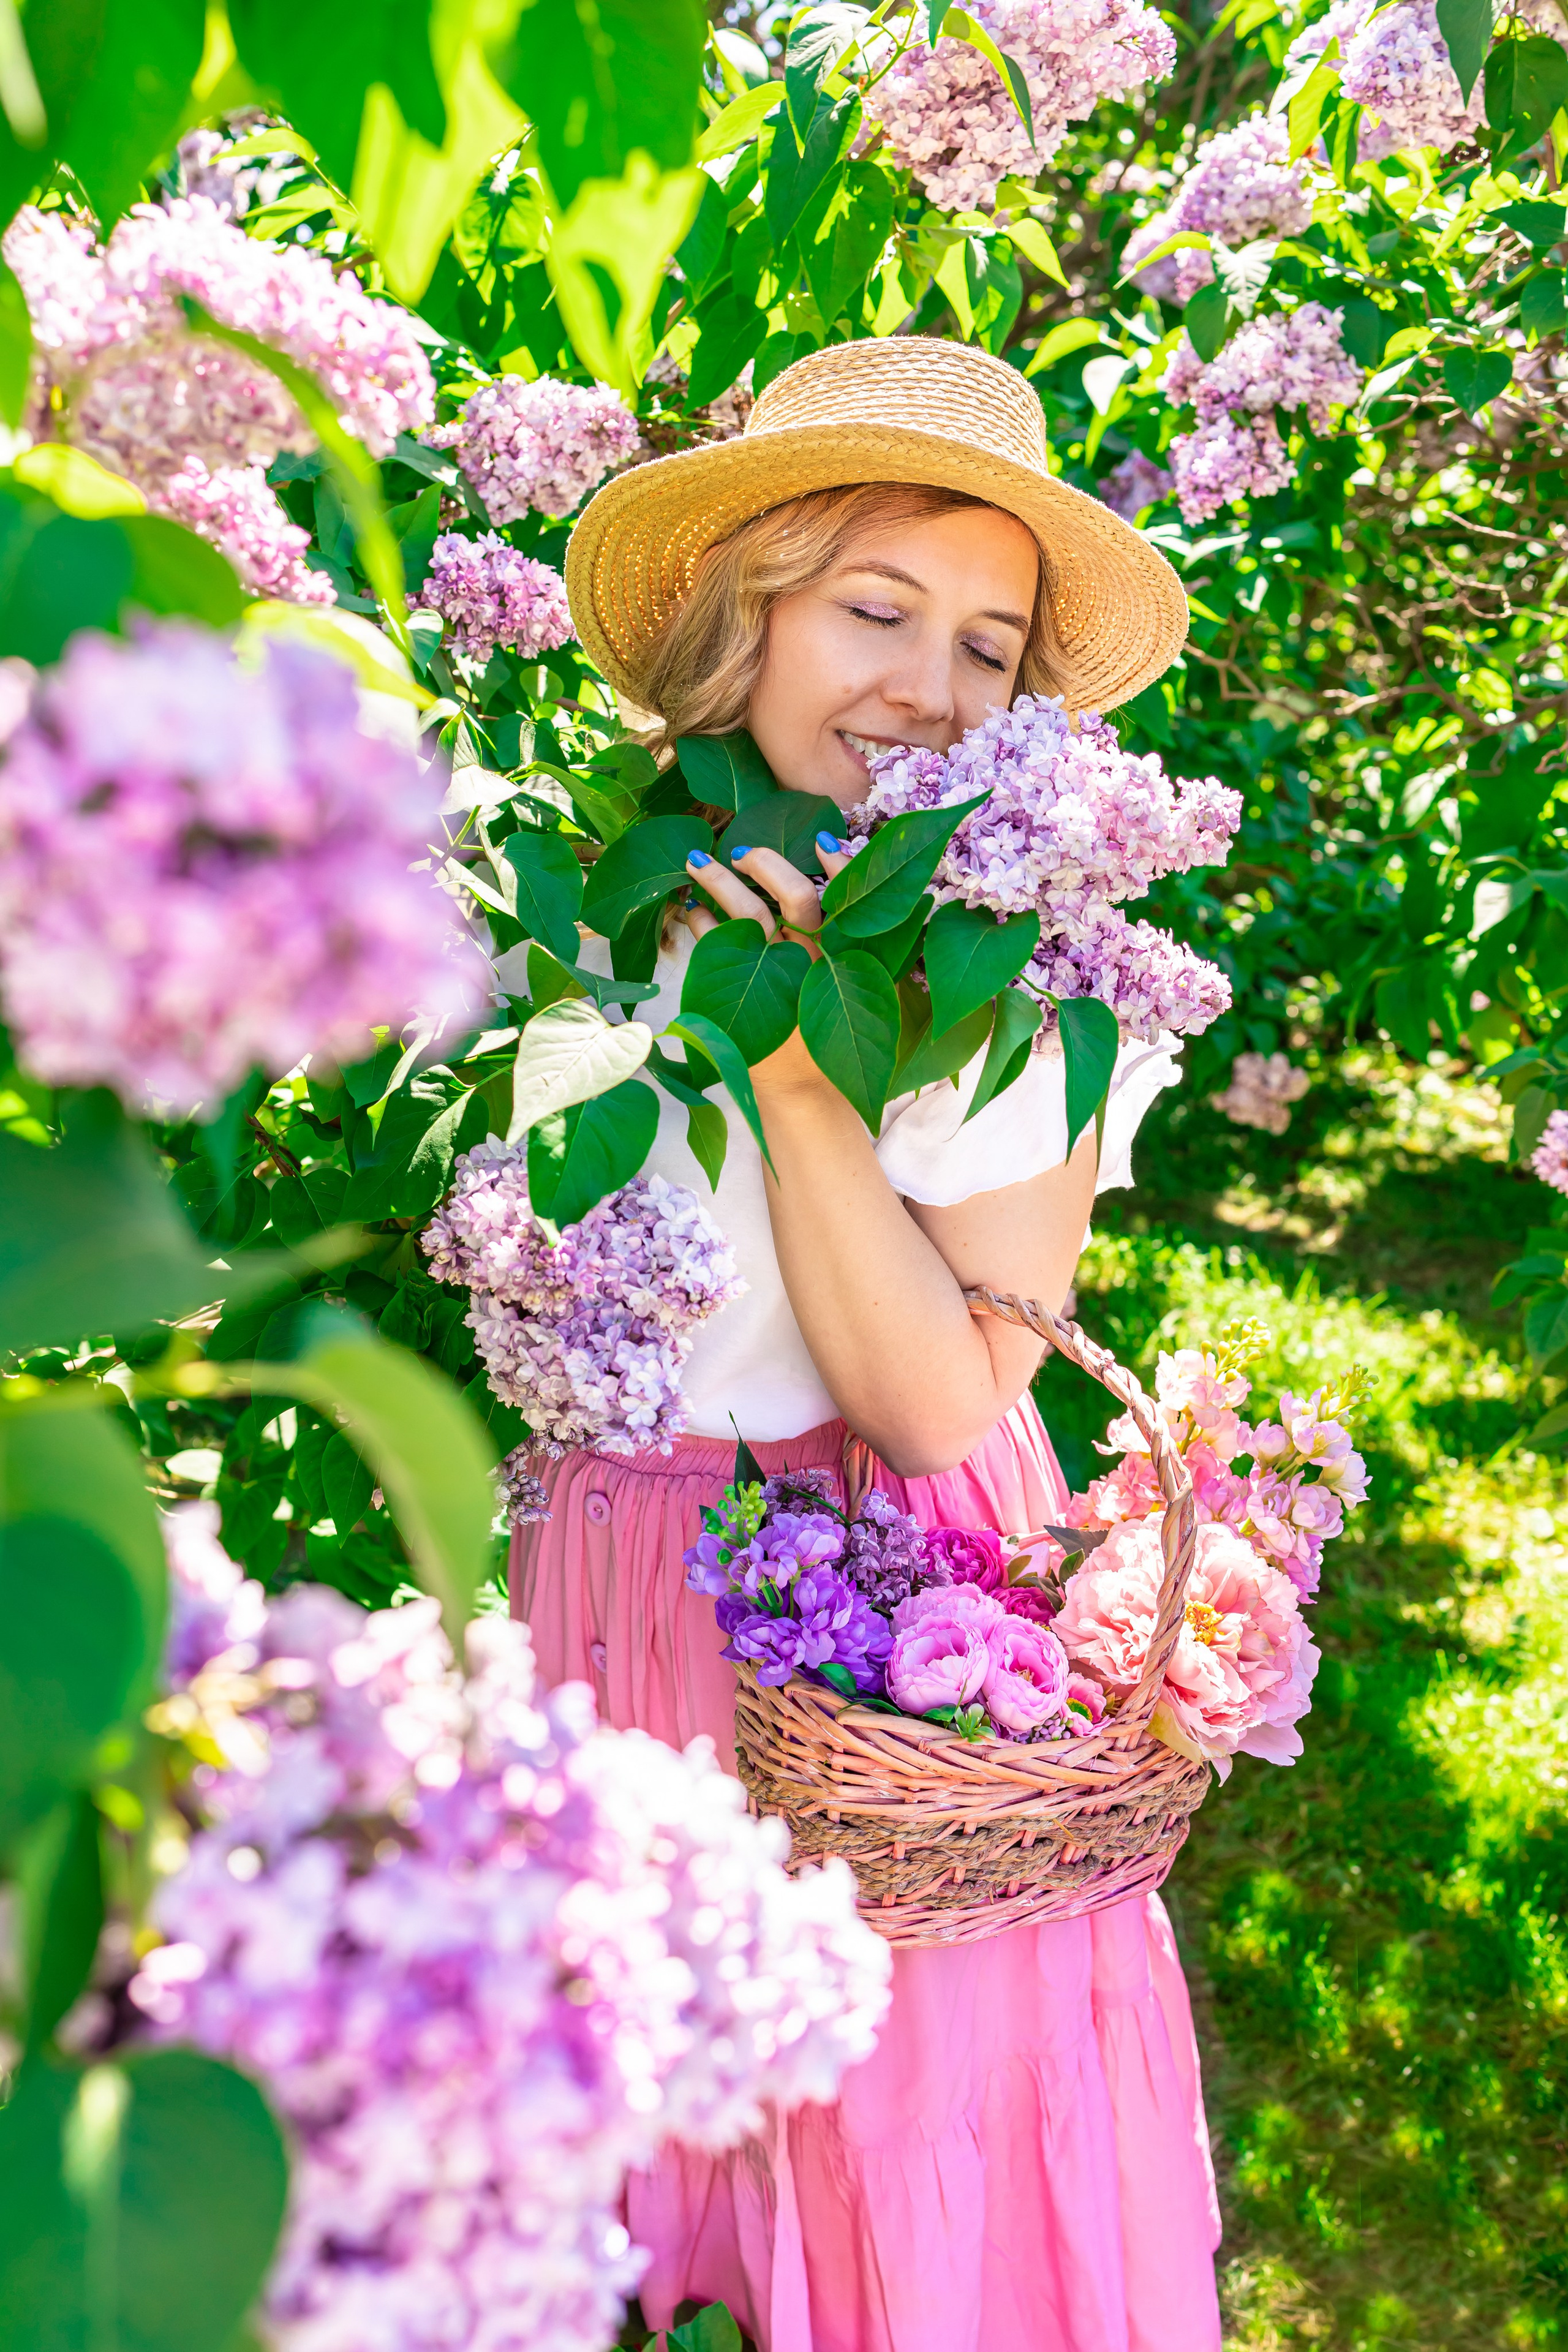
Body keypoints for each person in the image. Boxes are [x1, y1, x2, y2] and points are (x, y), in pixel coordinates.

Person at [513, 337, 1223, 2352]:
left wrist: (798, 1069)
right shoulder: (603, 892)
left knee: (885, 2125)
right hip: (622, 1581)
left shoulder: (1025, 973)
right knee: (664, 2136)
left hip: (862, 1607)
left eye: (988, 650)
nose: (929, 685)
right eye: (877, 609)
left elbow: (930, 1404)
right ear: (747, 623)